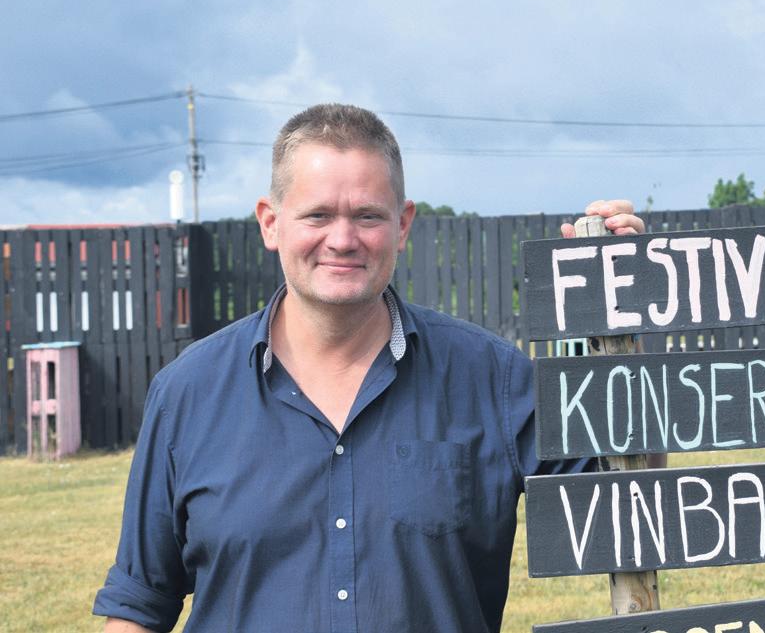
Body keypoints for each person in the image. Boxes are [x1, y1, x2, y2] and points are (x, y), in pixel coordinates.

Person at [93, 103, 644, 633]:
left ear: (402, 225)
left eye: (367, 216)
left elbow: (629, 499)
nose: (342, 239)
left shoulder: (493, 380)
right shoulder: (187, 393)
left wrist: (622, 311)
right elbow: (140, 604)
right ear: (271, 223)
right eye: (318, 215)